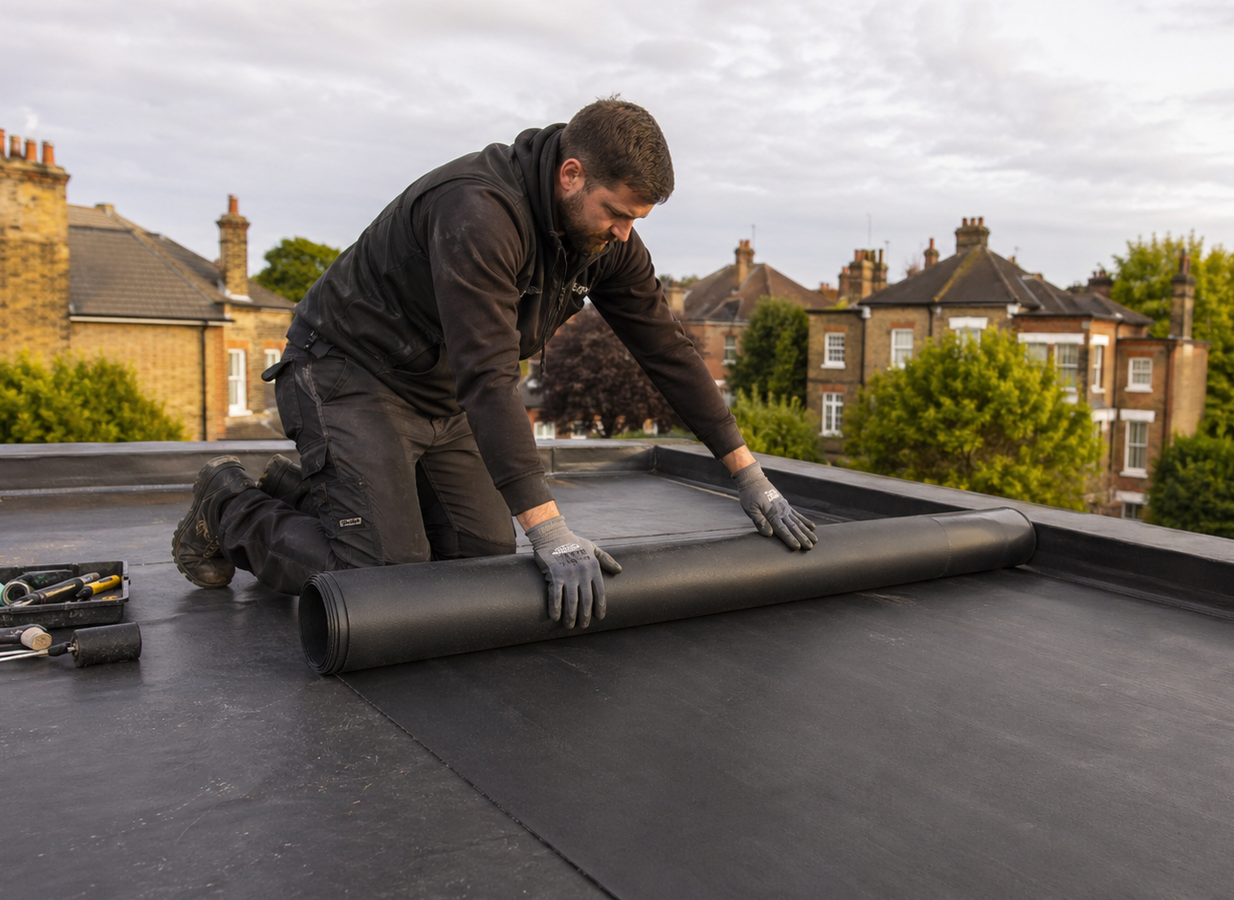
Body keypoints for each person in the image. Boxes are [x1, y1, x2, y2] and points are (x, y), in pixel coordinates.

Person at [171, 98, 817, 628]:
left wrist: (748, 476)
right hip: (348, 373)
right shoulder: (479, 211)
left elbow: (669, 350)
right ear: (571, 175)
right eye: (618, 214)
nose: (625, 233)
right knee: (383, 584)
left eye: (636, 220)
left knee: (480, 560)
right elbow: (488, 374)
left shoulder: (603, 240)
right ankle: (228, 505)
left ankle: (313, 491)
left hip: (440, 394)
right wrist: (553, 529)